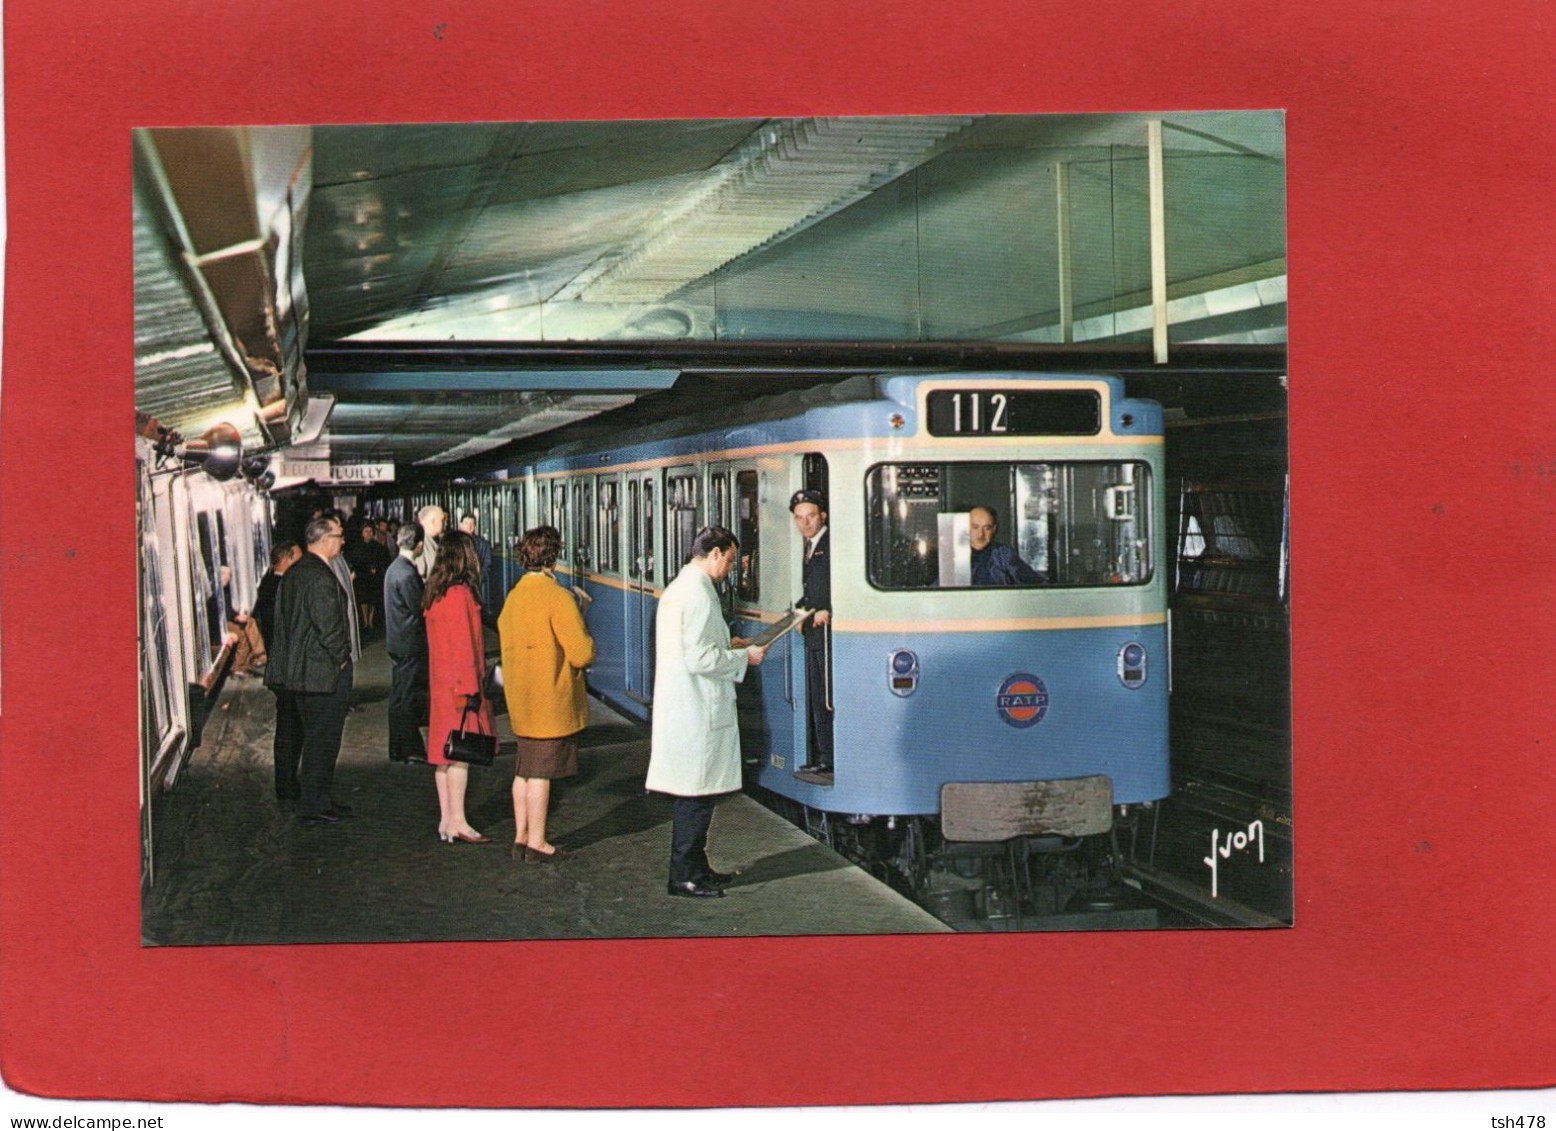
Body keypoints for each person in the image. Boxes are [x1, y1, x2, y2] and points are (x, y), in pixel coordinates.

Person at [645, 526, 767, 899]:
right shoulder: (698, 593)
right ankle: (683, 876)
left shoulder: (682, 588)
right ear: (714, 553)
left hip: (689, 706)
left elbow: (693, 644)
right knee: (695, 797)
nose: (731, 568)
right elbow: (698, 658)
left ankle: (697, 868)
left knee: (698, 794)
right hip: (696, 709)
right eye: (730, 560)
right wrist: (742, 656)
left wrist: (726, 644)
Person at [497, 525, 596, 863]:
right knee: (541, 773)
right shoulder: (557, 596)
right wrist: (581, 615)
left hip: (521, 700)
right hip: (549, 700)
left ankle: (521, 836)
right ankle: (538, 842)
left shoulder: (514, 595)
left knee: (524, 769)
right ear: (553, 557)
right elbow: (581, 653)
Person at [264, 517, 355, 825]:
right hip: (321, 676)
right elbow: (329, 627)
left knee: (313, 739)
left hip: (300, 675)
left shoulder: (295, 573)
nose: (343, 541)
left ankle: (318, 799)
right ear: (325, 539)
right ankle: (314, 804)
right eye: (339, 536)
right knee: (323, 742)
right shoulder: (319, 576)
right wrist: (342, 659)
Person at [423, 529, 496, 844]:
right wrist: (471, 692)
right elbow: (464, 647)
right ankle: (459, 822)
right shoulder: (460, 595)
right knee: (460, 756)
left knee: (444, 753)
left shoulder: (435, 592)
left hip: (441, 685)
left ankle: (446, 820)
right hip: (459, 688)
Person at [790, 489, 833, 775]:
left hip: (827, 636)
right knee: (818, 697)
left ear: (823, 516)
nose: (805, 523)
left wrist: (825, 608)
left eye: (811, 516)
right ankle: (824, 755)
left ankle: (829, 758)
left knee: (826, 698)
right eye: (799, 518)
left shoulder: (831, 545)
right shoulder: (810, 545)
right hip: (815, 636)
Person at [384, 523, 429, 764]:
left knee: (399, 697)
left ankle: (397, 748)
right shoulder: (408, 574)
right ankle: (411, 749)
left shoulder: (394, 568)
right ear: (419, 544)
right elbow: (421, 608)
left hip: (397, 642)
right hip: (410, 645)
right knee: (408, 698)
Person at [968, 506, 1043, 586]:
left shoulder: (1004, 555)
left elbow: (1037, 585)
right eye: (975, 527)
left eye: (987, 528)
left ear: (994, 529)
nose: (981, 534)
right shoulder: (955, 554)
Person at [345, 523, 391, 632]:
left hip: (374, 577)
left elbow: (383, 559)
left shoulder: (377, 547)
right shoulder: (357, 547)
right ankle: (365, 620)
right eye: (366, 531)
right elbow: (355, 561)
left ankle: (371, 620)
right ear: (362, 533)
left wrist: (376, 568)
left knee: (373, 599)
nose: (369, 534)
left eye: (370, 531)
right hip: (362, 576)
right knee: (364, 599)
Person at [413, 504, 447, 580]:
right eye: (442, 520)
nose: (446, 523)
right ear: (433, 521)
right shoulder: (419, 542)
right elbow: (421, 571)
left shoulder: (439, 540)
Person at [459, 513, 492, 582]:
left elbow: (487, 565)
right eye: (466, 523)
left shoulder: (483, 544)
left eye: (472, 524)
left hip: (476, 582)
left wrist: (478, 578)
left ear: (475, 526)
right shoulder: (453, 542)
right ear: (460, 525)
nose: (469, 526)